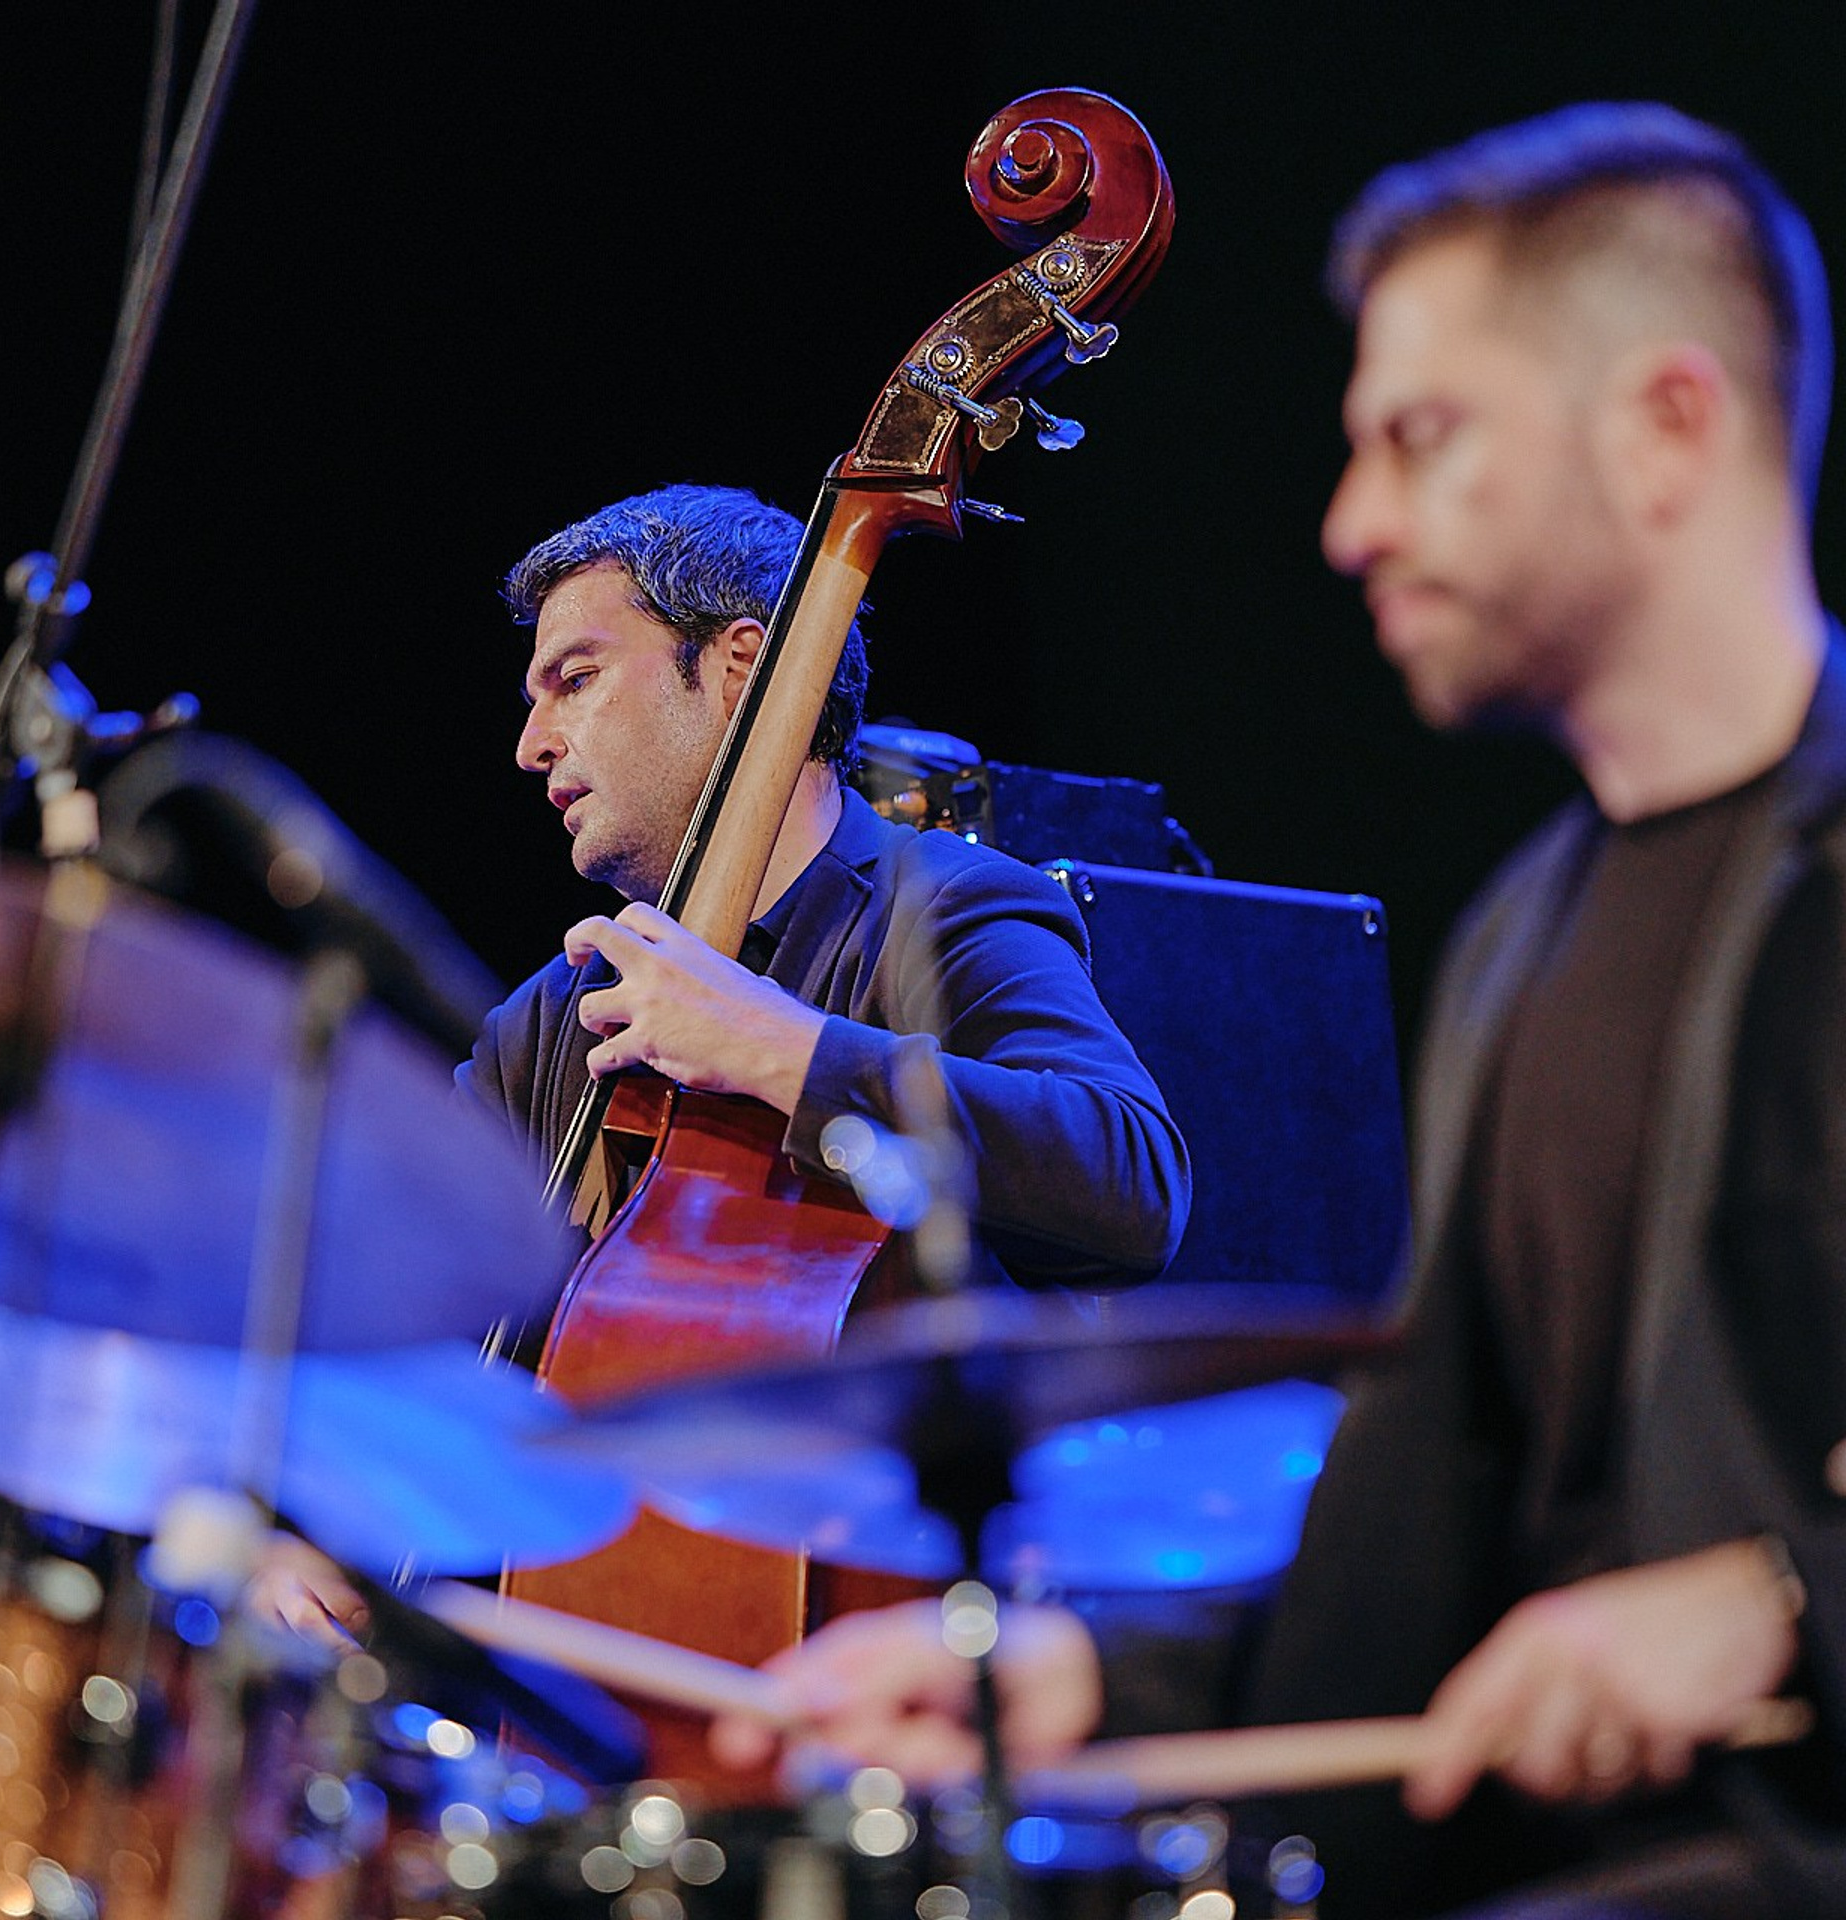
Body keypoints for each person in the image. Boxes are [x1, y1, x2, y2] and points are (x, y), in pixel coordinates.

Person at [709, 104, 1846, 1918]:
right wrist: (1092, 1681)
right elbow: (1420, 1553)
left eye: (1422, 440)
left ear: (1668, 429)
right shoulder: (1528, 934)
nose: (1351, 526)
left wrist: (1784, 1598)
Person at [457, 481, 1189, 1289]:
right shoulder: (551, 1023)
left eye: (577, 679)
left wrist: (776, 1046)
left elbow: (1133, 1183)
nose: (532, 745)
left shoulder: (939, 908)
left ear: (739, 666)